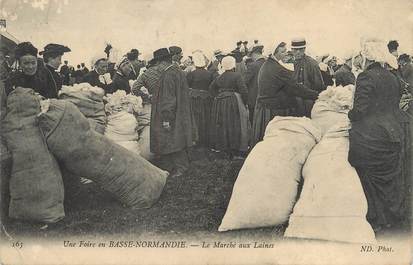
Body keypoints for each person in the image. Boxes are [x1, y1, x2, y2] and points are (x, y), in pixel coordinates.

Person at [348, 40, 411, 232]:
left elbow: (360, 110)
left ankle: (377, 218)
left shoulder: (366, 77)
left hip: (371, 136)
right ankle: (394, 216)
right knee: (390, 177)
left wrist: (350, 114)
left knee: (369, 175)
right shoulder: (392, 77)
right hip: (392, 132)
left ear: (367, 56)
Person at [251, 42, 318, 146]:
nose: (286, 53)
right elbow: (295, 88)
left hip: (265, 108)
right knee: (276, 141)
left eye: (286, 50)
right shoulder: (277, 69)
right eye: (283, 51)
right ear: (274, 53)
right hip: (273, 110)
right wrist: (316, 95)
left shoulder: (268, 65)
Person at [150, 48, 193, 177]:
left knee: (172, 140)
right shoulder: (177, 71)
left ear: (162, 62)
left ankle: (180, 167)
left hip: (171, 114)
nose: (156, 67)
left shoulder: (168, 75)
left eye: (157, 64)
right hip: (180, 112)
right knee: (178, 138)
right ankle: (173, 166)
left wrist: (166, 118)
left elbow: (168, 99)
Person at [209, 56, 249, 159]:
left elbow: (211, 88)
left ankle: (225, 148)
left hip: (220, 102)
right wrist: (245, 102)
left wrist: (217, 97)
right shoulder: (237, 76)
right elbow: (243, 90)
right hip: (233, 101)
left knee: (223, 125)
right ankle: (235, 149)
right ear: (233, 65)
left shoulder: (220, 77)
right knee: (235, 124)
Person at [291, 38, 325, 117]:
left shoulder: (311, 63)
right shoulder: (288, 63)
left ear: (304, 49)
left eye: (301, 49)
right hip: (292, 105)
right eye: (295, 50)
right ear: (292, 50)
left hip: (307, 104)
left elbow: (319, 85)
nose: (298, 52)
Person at [186, 51, 214, 147]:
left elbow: (187, 85)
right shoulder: (209, 74)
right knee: (206, 117)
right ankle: (206, 138)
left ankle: (197, 138)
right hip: (206, 98)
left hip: (194, 99)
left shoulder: (191, 74)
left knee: (196, 118)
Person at [244, 44, 265, 124]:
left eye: (251, 55)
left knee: (254, 122)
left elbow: (244, 82)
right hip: (266, 99)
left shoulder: (252, 66)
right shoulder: (268, 63)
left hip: (254, 100)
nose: (251, 57)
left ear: (254, 54)